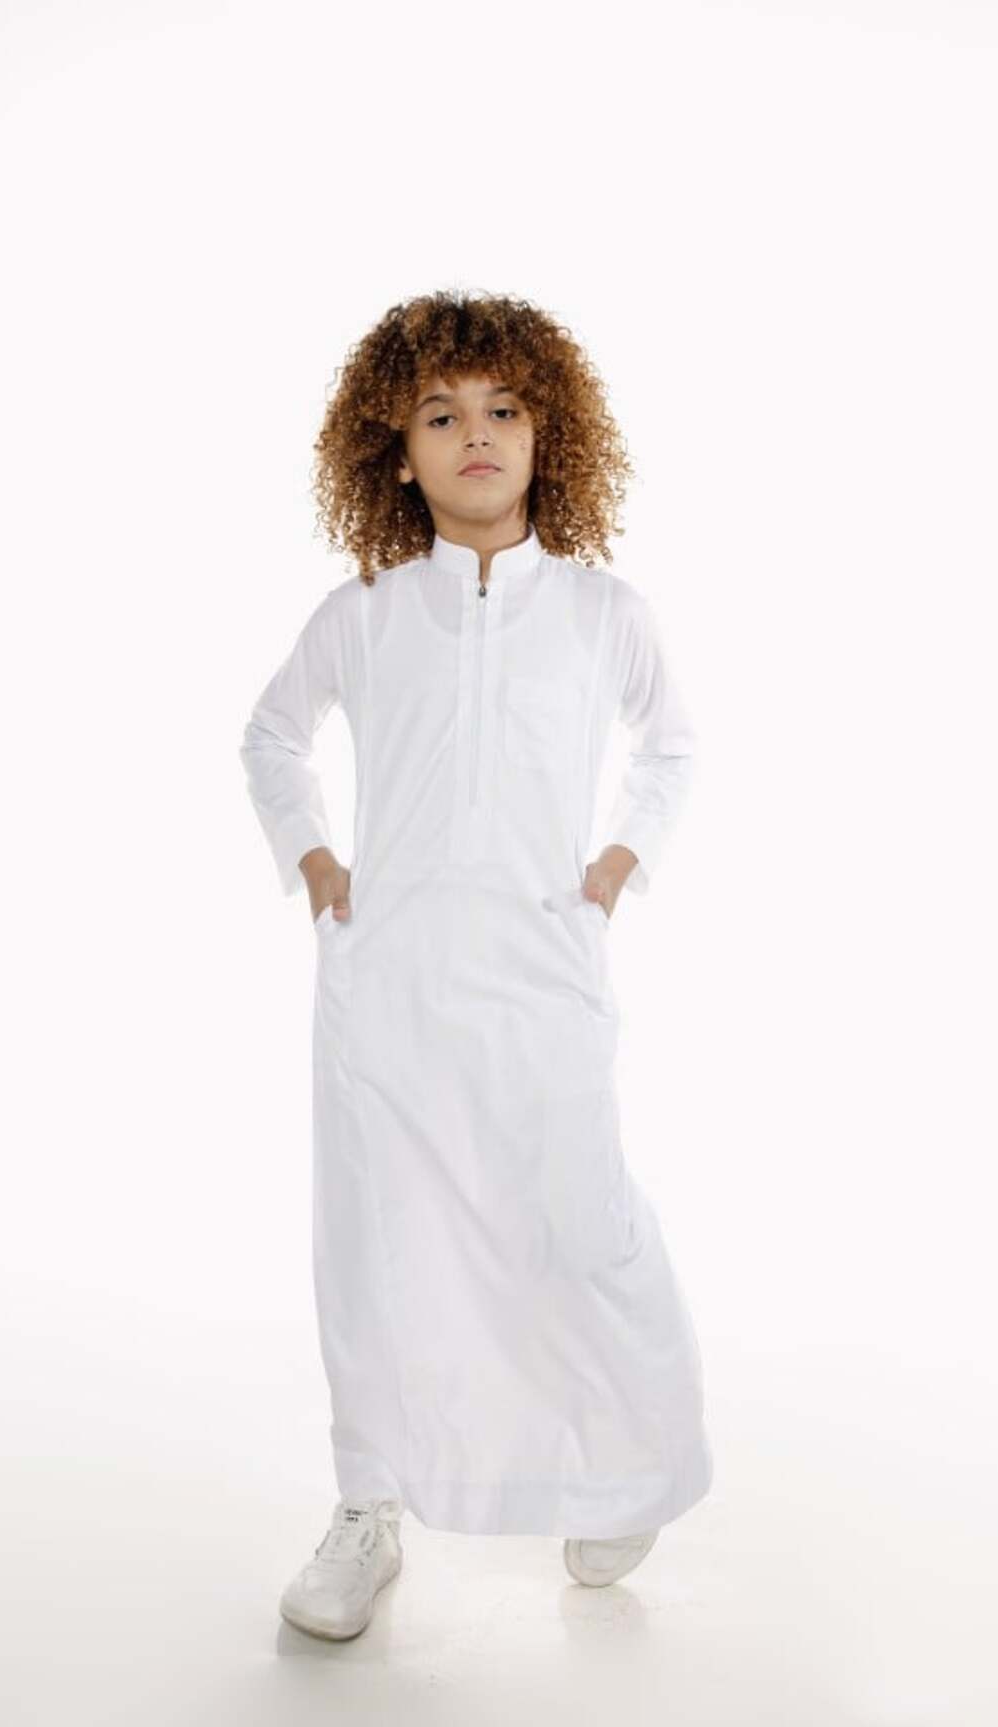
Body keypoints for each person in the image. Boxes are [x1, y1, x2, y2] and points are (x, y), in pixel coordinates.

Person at [239, 290, 713, 1642]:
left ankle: (623, 1467)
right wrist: (314, 862)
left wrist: (616, 866)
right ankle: (369, 1504)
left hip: (542, 973)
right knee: (379, 1238)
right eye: (441, 415)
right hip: (387, 983)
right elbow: (272, 737)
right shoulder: (365, 615)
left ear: (548, 432)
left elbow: (671, 746)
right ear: (396, 452)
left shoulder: (604, 612)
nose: (476, 434)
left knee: (580, 1221)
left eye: (504, 408)